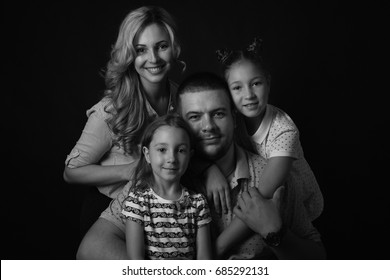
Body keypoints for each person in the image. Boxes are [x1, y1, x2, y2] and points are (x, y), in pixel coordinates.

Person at [76, 72, 326, 259]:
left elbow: (320, 259)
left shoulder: (270, 177)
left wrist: (277, 234)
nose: (208, 126)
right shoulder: (160, 174)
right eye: (194, 117)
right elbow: (90, 248)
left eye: (218, 114)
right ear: (179, 122)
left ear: (234, 117)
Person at [63, 6, 184, 236]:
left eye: (162, 46)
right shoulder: (111, 110)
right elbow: (71, 172)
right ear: (130, 55)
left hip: (159, 215)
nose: (154, 58)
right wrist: (127, 171)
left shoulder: (183, 100)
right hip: (108, 216)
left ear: (174, 47)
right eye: (141, 50)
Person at [213, 38, 324, 257]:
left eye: (256, 83)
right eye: (237, 87)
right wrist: (210, 171)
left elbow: (262, 196)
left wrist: (218, 247)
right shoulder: (233, 120)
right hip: (256, 183)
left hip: (292, 195)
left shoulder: (284, 130)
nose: (249, 95)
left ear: (268, 82)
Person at [122, 114, 212, 259]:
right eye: (162, 150)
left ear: (190, 155)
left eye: (181, 150)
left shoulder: (198, 203)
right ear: (147, 154)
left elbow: (204, 262)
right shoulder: (137, 202)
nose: (172, 159)